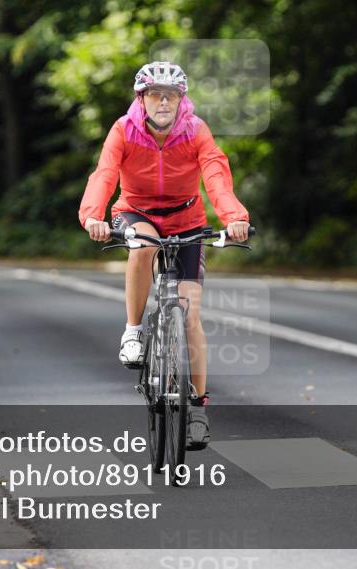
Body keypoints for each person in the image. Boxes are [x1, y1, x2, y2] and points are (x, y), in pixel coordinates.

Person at [79, 61, 251, 450]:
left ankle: (199, 411)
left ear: (180, 100)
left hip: (186, 217)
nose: (163, 101)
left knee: (190, 316)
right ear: (141, 98)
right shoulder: (124, 129)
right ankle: (133, 332)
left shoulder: (195, 131)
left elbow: (216, 175)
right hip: (136, 212)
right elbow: (104, 174)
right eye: (155, 94)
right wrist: (93, 215)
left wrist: (235, 217)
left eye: (170, 95)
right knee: (145, 245)